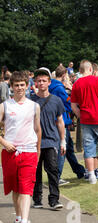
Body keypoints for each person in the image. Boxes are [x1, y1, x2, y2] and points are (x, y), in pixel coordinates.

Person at [0, 71, 41, 223]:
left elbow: (38, 129)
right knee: (15, 188)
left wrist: (38, 150)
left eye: (22, 85)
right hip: (10, 152)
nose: (19, 88)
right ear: (11, 87)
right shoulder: (5, 106)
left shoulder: (34, 106)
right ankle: (18, 218)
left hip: (29, 151)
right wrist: (4, 142)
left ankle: (25, 221)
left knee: (26, 188)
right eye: (16, 85)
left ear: (27, 85)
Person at [30, 68, 65, 211]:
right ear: (35, 83)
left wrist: (63, 141)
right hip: (33, 142)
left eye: (44, 80)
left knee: (52, 170)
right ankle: (37, 199)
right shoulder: (30, 101)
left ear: (49, 82)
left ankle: (54, 199)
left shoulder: (56, 100)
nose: (41, 83)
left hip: (51, 140)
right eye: (39, 80)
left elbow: (60, 121)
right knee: (36, 172)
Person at [49, 65, 86, 184]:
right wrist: (71, 88)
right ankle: (57, 177)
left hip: (59, 120)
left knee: (69, 149)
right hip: (61, 121)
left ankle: (80, 171)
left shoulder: (52, 86)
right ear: (64, 75)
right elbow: (69, 102)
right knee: (63, 150)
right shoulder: (59, 88)